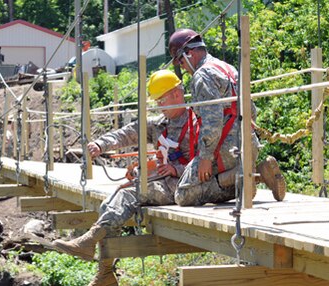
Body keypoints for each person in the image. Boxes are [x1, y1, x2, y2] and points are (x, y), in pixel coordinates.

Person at [52, 70, 198, 286]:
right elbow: (128, 133)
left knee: (129, 194)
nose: (158, 105)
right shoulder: (160, 124)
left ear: (177, 94)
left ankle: (92, 245)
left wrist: (177, 169)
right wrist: (102, 144)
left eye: (161, 100)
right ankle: (105, 272)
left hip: (184, 185)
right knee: (110, 202)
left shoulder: (197, 124)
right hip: (162, 180)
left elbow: (208, 159)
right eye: (156, 101)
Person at [168, 28, 286, 206]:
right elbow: (251, 111)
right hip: (248, 144)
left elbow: (212, 120)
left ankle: (243, 180)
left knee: (184, 194)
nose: (183, 68)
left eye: (181, 62)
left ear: (189, 54)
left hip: (225, 151)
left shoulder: (202, 76)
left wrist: (206, 157)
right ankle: (256, 172)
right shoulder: (228, 68)